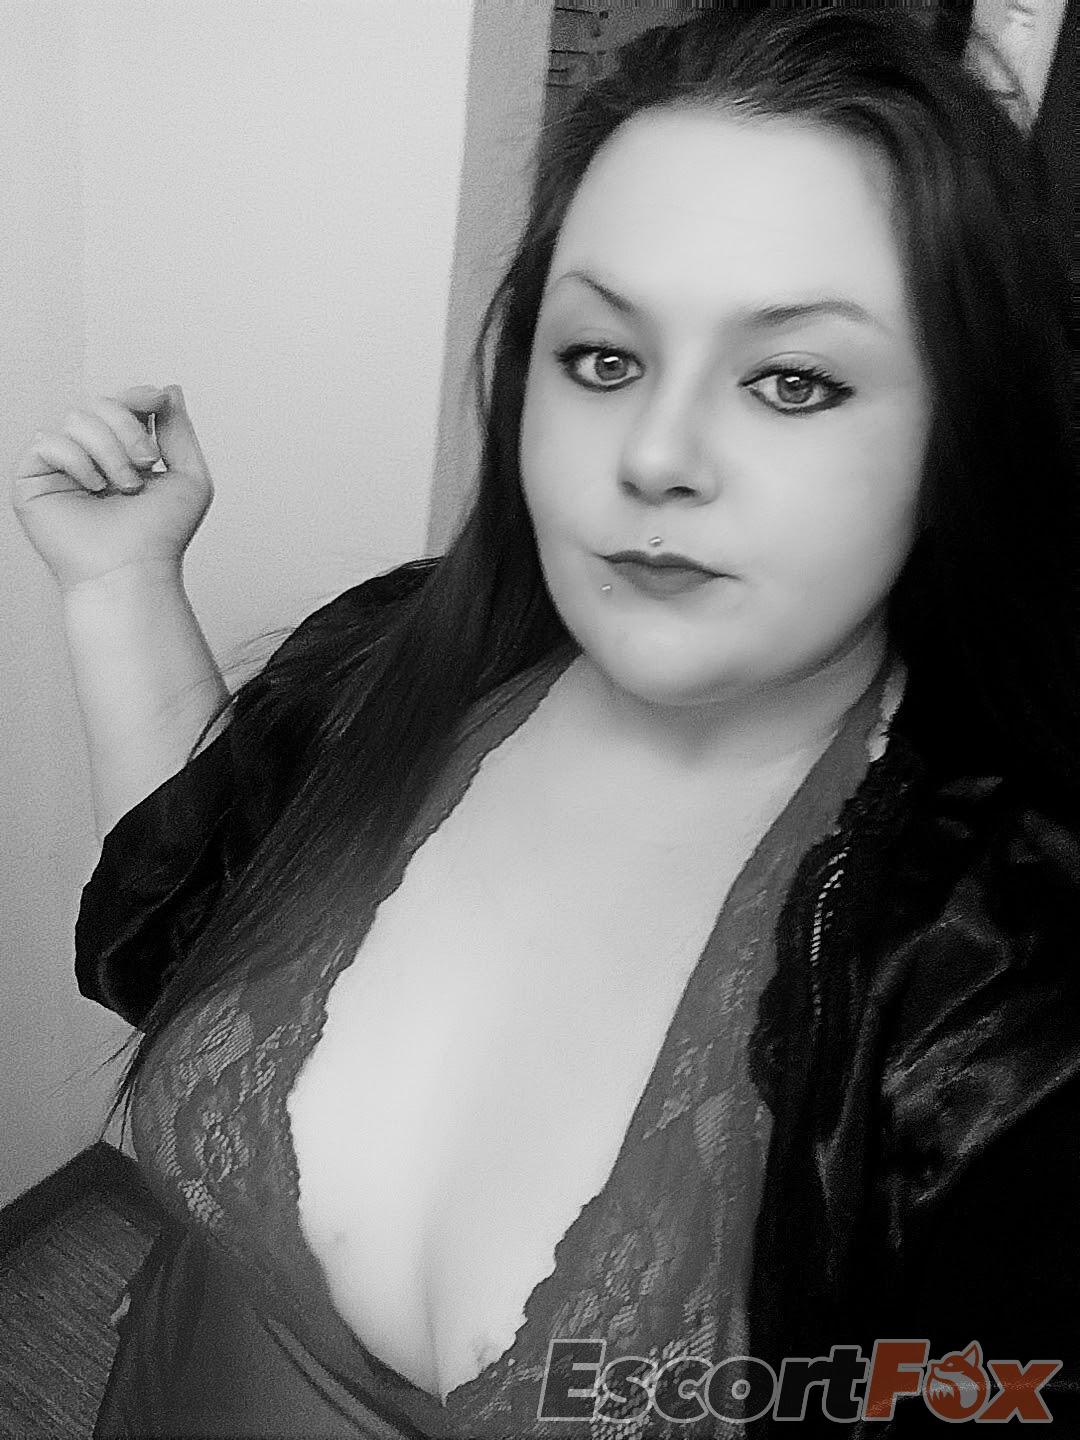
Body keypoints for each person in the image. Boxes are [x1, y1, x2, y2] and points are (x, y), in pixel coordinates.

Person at [9, 7, 1079, 1437]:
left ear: (958, 431)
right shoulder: (396, 661)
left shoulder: (1003, 989)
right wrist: (120, 584)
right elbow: (196, 922)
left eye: (794, 381)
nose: (656, 455)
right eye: (604, 359)